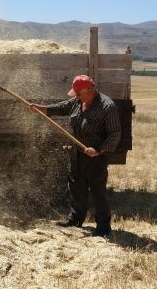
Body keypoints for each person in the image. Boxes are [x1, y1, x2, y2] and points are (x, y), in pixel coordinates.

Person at [29, 75, 121, 237]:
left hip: (97, 156)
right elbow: (61, 107)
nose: (76, 97)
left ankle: (103, 227)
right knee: (76, 185)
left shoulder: (107, 107)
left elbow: (114, 134)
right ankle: (76, 219)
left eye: (79, 94)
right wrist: (41, 108)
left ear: (90, 90)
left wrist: (98, 150)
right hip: (78, 152)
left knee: (97, 189)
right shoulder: (78, 101)